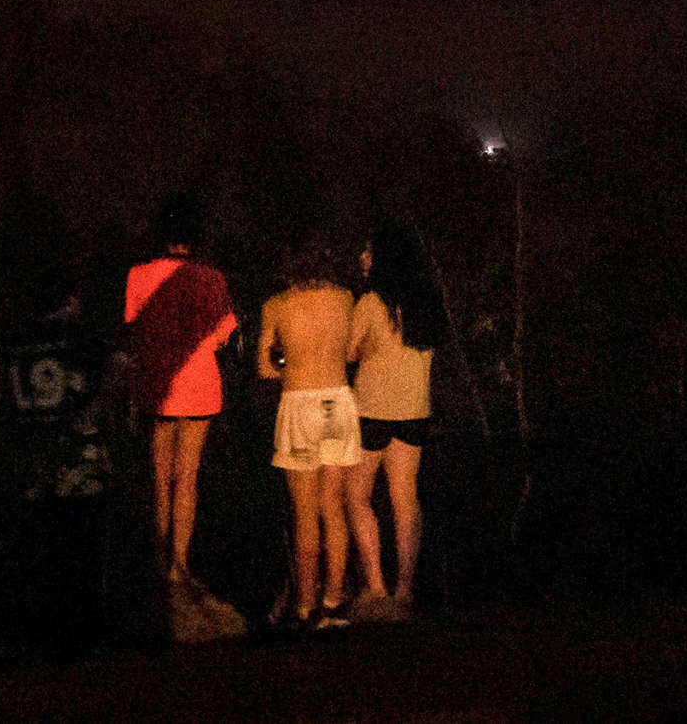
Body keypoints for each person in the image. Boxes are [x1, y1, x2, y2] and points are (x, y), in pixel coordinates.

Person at [123, 193, 245, 641]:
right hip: (200, 385)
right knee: (188, 478)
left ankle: (161, 564)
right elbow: (224, 335)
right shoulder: (212, 278)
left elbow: (135, 327)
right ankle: (181, 566)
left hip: (158, 383)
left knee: (160, 476)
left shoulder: (138, 275)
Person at [2, 267, 113, 651]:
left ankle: (44, 629)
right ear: (69, 299)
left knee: (42, 545)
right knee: (82, 544)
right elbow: (116, 367)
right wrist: (95, 411)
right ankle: (84, 631)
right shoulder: (80, 337)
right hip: (77, 457)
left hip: (34, 457)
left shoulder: (15, 340)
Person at [344, 219, 447, 622]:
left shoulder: (371, 302)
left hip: (372, 409)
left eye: (368, 251)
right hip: (414, 411)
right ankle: (405, 589)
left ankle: (375, 586)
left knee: (357, 497)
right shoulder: (426, 302)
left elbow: (350, 352)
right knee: (406, 500)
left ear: (383, 257)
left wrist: (367, 348)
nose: (362, 257)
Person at [258, 235, 360, 629]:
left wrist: (290, 367)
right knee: (332, 506)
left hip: (300, 400)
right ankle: (334, 600)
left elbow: (265, 367)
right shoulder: (344, 299)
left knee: (304, 513)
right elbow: (350, 349)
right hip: (337, 399)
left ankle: (304, 603)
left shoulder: (276, 305)